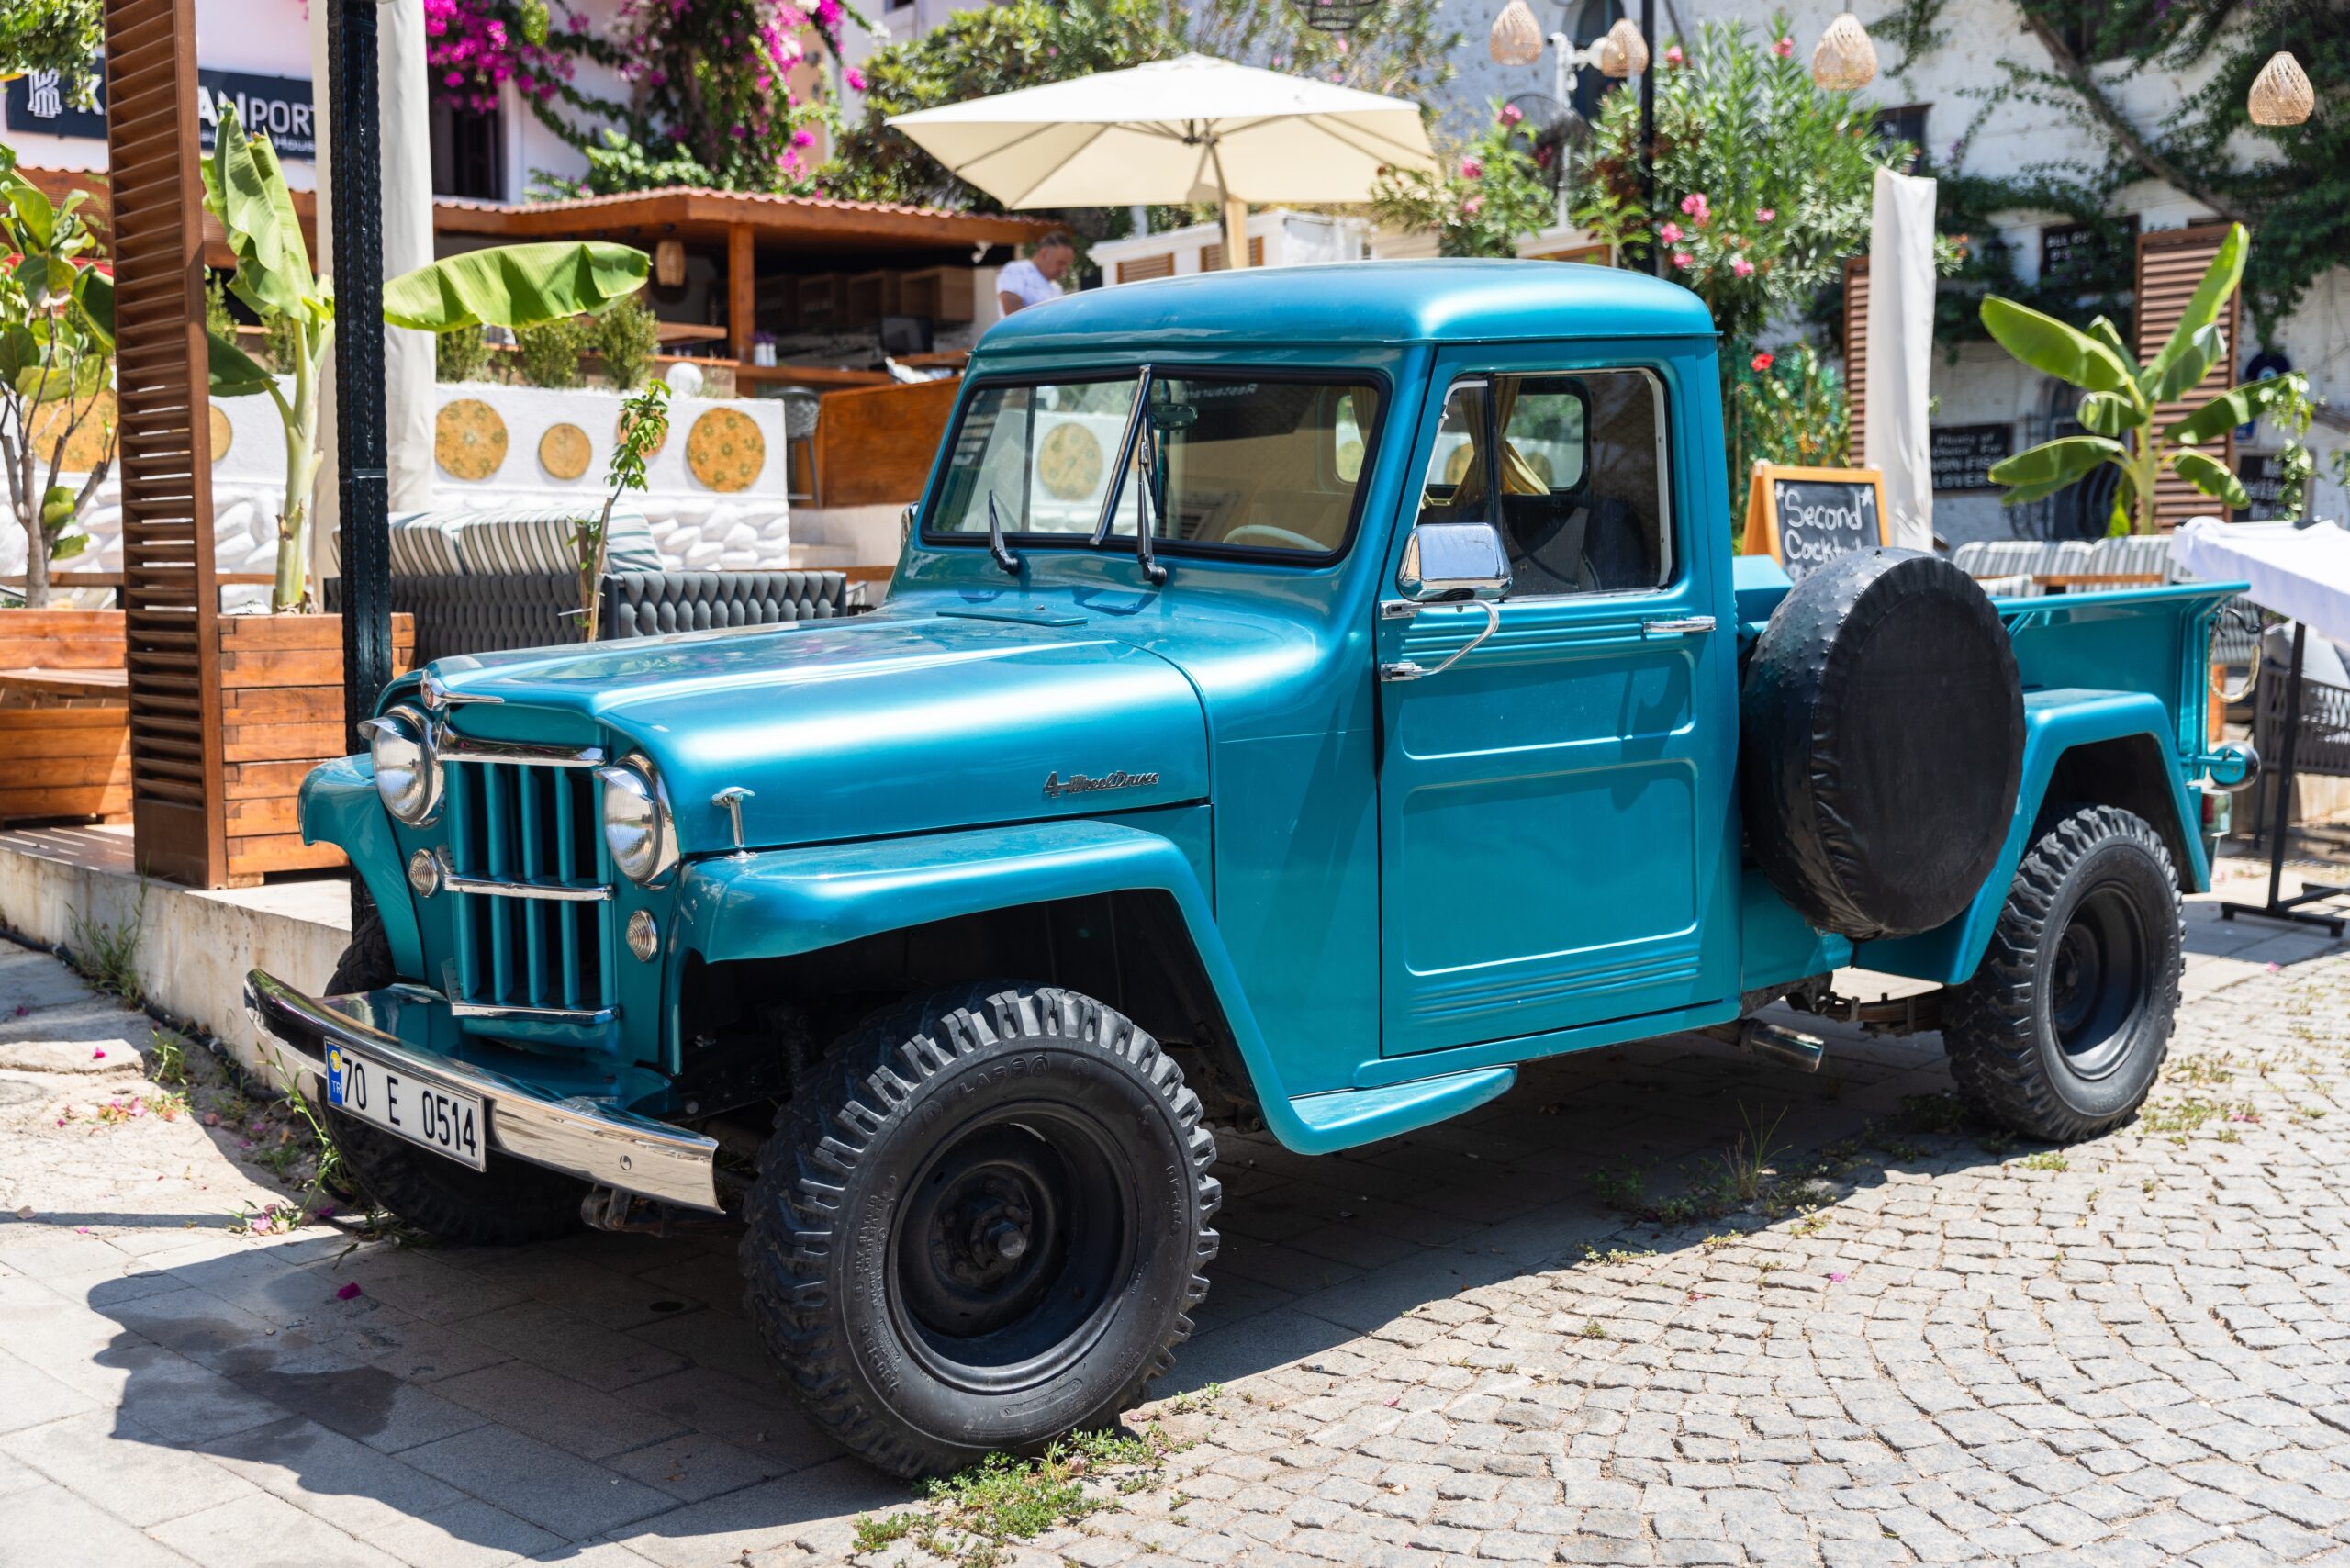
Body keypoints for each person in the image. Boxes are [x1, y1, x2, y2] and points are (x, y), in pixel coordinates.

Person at [996, 232, 1075, 317]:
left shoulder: (1056, 288)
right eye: (1060, 263)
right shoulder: (1016, 271)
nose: (1063, 270)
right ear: (1044, 253)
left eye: (1066, 265)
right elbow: (1013, 315)